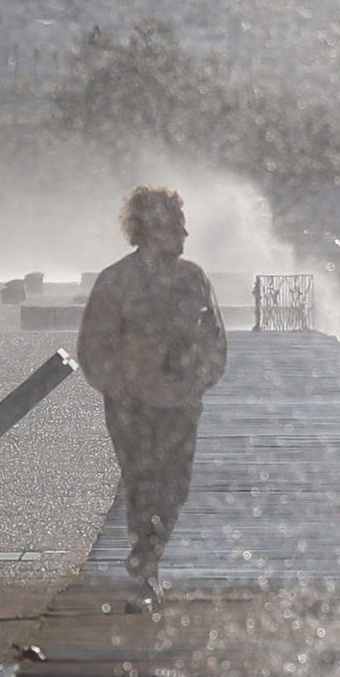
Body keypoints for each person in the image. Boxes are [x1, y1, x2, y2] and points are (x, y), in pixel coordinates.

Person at [76, 186, 227, 610]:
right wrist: (116, 388)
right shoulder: (116, 282)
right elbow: (92, 345)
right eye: (175, 223)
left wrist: (201, 382)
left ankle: (149, 553)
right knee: (143, 486)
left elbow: (215, 339)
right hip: (132, 404)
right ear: (149, 228)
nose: (185, 231)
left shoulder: (193, 278)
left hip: (181, 403)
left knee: (175, 488)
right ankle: (147, 572)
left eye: (182, 221)